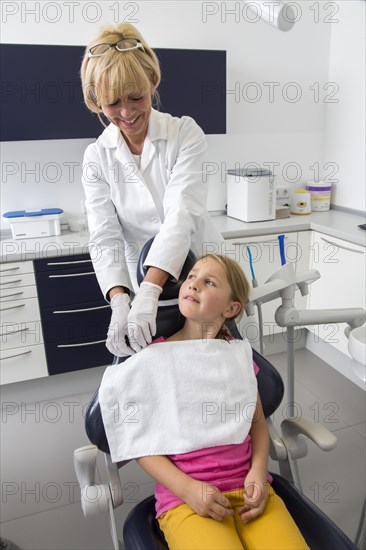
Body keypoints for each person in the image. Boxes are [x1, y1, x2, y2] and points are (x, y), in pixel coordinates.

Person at [135, 254, 309, 550]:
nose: (194, 285)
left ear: (231, 308)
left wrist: (257, 471)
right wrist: (187, 489)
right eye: (191, 277)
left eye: (209, 281)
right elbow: (140, 443)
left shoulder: (237, 356)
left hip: (249, 488)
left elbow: (257, 424)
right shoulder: (155, 359)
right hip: (187, 498)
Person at [80, 23, 223, 358]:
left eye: (136, 97)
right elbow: (104, 235)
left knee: (216, 366)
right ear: (95, 101)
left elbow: (181, 215)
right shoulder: (96, 157)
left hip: (202, 275)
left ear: (152, 82)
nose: (127, 113)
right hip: (139, 282)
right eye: (112, 103)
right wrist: (119, 299)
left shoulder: (185, 134)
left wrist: (149, 290)